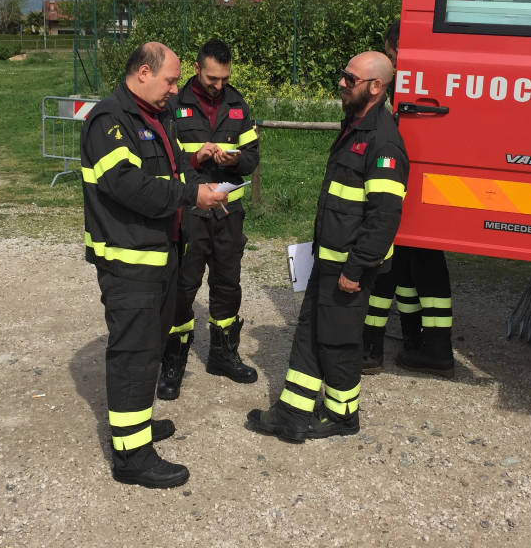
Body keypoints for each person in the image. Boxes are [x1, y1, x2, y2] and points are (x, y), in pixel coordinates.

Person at [80, 41, 227, 489]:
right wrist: (191, 195)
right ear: (143, 73)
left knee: (149, 350)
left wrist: (195, 162)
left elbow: (166, 167)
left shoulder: (152, 117)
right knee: (134, 354)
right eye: (169, 80)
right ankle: (131, 458)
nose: (175, 89)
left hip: (159, 256)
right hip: (130, 262)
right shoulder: (109, 120)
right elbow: (130, 186)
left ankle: (135, 430)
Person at [246, 51, 407, 442]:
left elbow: (384, 215)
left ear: (375, 87)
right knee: (312, 331)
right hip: (330, 260)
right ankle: (293, 412)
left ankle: (342, 415)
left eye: (350, 79)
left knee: (337, 339)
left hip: (349, 266)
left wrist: (356, 269)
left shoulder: (383, 140)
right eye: (343, 76)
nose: (341, 83)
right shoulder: (356, 126)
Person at [157, 38, 260, 400]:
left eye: (224, 78)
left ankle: (223, 354)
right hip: (189, 212)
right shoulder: (173, 105)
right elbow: (163, 162)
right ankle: (173, 363)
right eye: (213, 78)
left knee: (228, 284)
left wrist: (236, 161)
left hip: (229, 212)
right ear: (197, 69)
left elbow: (252, 156)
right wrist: (197, 159)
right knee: (183, 289)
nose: (219, 86)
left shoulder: (237, 104)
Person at [362, 20, 455, 377]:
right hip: (426, 183)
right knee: (421, 262)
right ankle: (425, 342)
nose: (392, 62)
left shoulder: (402, 88)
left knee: (387, 255)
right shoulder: (438, 80)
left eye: (391, 54)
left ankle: (372, 346)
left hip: (400, 184)